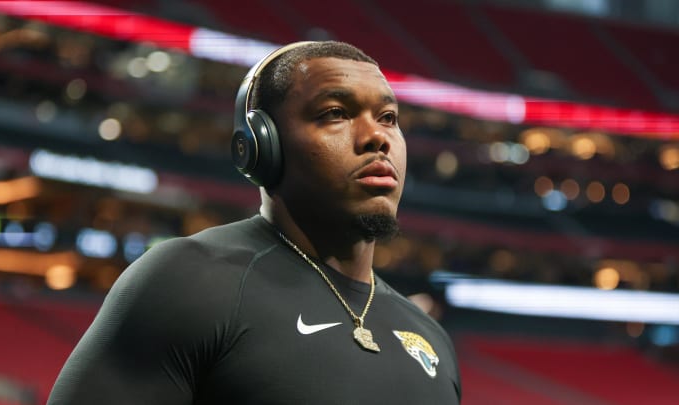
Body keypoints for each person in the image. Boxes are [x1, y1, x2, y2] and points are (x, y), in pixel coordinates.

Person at [48, 40, 461, 404]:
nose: (378, 136)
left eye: (388, 117)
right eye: (336, 112)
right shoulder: (187, 282)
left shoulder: (431, 339)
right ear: (262, 145)